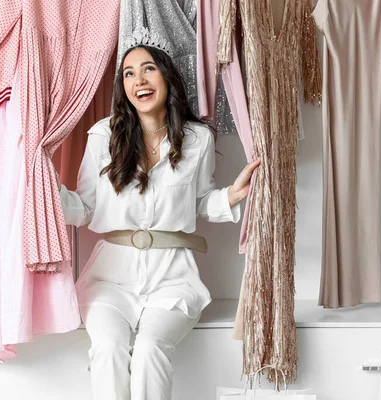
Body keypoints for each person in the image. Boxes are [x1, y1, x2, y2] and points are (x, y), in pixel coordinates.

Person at [59, 42, 260, 400]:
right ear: (123, 87)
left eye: (148, 68)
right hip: (109, 279)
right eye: (129, 73)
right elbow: (84, 207)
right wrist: (45, 192)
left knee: (151, 349)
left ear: (167, 76)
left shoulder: (198, 139)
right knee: (108, 349)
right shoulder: (103, 136)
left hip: (172, 278)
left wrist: (231, 195)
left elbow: (201, 202)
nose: (139, 79)